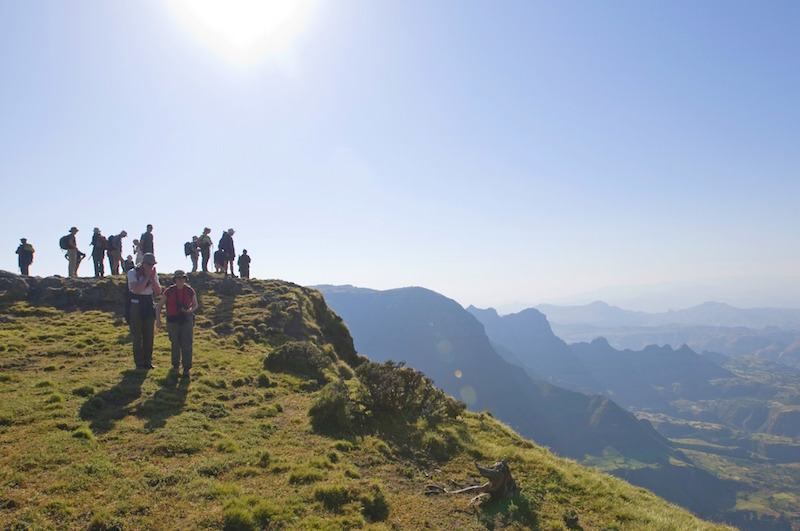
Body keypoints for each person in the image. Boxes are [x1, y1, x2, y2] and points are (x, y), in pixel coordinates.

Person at [156, 270, 198, 378]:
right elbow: (159, 305)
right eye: (178, 278)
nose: (180, 280)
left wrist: (189, 311)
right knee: (174, 343)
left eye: (182, 278)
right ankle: (175, 365)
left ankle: (186, 368)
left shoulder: (190, 291)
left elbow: (195, 304)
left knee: (187, 344)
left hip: (186, 319)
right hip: (172, 320)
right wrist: (158, 319)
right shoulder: (168, 291)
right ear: (174, 280)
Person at [127, 253, 162, 370]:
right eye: (149, 265)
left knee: (149, 335)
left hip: (148, 302)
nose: (151, 267)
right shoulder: (132, 273)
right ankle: (139, 363)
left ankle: (148, 361)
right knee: (137, 334)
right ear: (143, 264)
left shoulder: (154, 274)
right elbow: (137, 290)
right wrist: (146, 277)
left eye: (153, 265)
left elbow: (158, 292)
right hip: (136, 303)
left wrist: (152, 278)